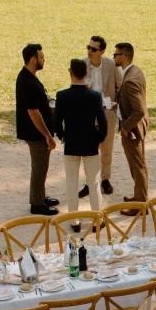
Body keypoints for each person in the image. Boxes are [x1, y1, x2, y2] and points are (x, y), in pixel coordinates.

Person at [54, 58, 108, 215]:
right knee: (94, 182)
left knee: (71, 183)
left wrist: (63, 136)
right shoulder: (95, 96)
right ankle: (97, 216)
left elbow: (57, 122)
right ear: (85, 74)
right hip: (90, 143)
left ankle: (74, 219)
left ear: (70, 73)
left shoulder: (62, 96)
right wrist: (99, 138)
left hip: (71, 142)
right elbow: (103, 123)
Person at [15, 44, 60, 216]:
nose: (43, 60)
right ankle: (37, 204)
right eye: (41, 57)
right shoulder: (28, 82)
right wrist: (48, 135)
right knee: (39, 167)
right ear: (33, 59)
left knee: (41, 166)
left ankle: (40, 196)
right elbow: (34, 113)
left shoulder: (28, 77)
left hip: (35, 132)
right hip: (36, 133)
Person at [84, 35, 119, 198]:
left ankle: (105, 179)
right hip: (89, 115)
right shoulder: (82, 65)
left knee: (107, 149)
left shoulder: (111, 65)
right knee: (89, 150)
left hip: (107, 113)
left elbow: (120, 86)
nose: (90, 51)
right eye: (88, 48)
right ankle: (89, 182)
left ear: (102, 51)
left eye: (94, 49)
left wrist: (116, 106)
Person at [113, 43, 149, 203]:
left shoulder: (129, 80)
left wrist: (126, 127)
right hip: (137, 128)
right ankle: (139, 196)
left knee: (137, 167)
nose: (114, 57)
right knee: (139, 165)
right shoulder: (136, 71)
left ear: (124, 56)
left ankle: (140, 203)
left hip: (133, 131)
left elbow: (139, 110)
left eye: (116, 54)